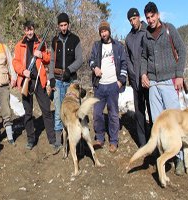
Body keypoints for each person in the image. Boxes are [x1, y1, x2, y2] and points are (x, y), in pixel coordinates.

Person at [140, 2, 187, 175]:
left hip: (169, 82)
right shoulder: (146, 35)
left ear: (158, 15)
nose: (150, 20)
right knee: (157, 123)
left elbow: (182, 50)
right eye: (148, 17)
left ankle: (180, 158)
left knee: (175, 122)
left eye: (152, 16)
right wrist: (143, 74)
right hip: (153, 84)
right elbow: (144, 56)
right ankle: (164, 158)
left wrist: (179, 74)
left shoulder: (169, 29)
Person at [12, 20, 57, 151]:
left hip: (39, 81)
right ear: (24, 31)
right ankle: (31, 139)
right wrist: (23, 71)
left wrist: (41, 55)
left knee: (47, 110)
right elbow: (15, 62)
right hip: (26, 81)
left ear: (34, 30)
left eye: (31, 29)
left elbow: (49, 59)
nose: (29, 32)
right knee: (28, 113)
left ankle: (52, 139)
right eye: (27, 30)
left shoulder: (40, 43)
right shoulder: (19, 45)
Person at [89, 21, 127, 153]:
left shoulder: (118, 46)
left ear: (109, 31)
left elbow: (124, 64)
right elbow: (91, 60)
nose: (103, 33)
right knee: (97, 113)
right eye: (101, 31)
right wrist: (95, 68)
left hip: (113, 85)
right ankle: (99, 137)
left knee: (113, 114)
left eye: (105, 31)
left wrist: (121, 81)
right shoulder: (96, 45)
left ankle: (114, 141)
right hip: (99, 85)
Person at [48, 12, 83, 147]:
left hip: (71, 82)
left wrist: (69, 70)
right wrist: (51, 77)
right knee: (58, 110)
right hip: (57, 80)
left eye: (65, 24)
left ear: (69, 24)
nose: (63, 27)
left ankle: (78, 141)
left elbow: (80, 59)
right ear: (58, 26)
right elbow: (51, 60)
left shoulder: (75, 39)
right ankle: (59, 140)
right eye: (61, 25)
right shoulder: (54, 41)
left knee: (75, 110)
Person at [125, 8, 152, 147]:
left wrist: (147, 74)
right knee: (139, 112)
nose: (132, 22)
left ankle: (154, 140)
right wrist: (132, 74)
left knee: (152, 110)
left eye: (134, 19)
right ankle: (143, 143)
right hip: (136, 81)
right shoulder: (129, 37)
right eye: (130, 20)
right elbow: (128, 58)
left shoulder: (147, 31)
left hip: (149, 79)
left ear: (139, 17)